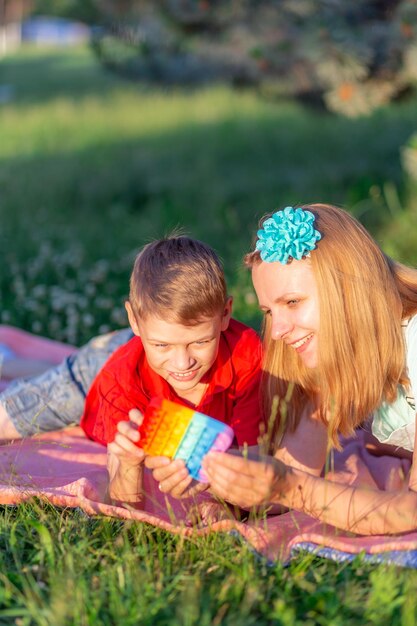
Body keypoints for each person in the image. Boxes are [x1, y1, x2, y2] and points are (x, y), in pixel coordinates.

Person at [202, 203, 417, 535]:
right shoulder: (334, 351)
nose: (276, 332)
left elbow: (409, 513)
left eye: (292, 302)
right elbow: (288, 476)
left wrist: (291, 488)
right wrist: (222, 482)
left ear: (349, 287)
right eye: (269, 311)